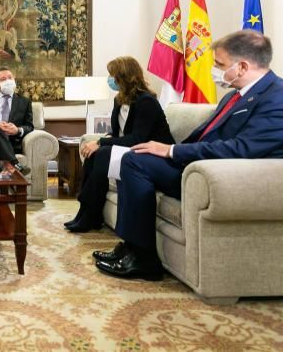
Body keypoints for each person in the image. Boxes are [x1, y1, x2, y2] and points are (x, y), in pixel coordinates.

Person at [94, 30, 283, 281]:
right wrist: (169, 153)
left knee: (134, 161)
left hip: (223, 178)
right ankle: (132, 247)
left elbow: (241, 149)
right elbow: (203, 136)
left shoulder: (276, 97)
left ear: (243, 66)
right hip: (197, 167)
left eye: (219, 64)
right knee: (131, 157)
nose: (214, 70)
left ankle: (144, 258)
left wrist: (171, 150)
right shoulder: (234, 95)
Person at [64, 56, 174, 232]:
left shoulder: (146, 102)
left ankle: (92, 214)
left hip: (150, 152)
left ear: (124, 76)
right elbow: (117, 134)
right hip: (130, 149)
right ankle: (85, 210)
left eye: (112, 75)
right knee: (94, 154)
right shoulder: (119, 100)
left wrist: (100, 142)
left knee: (101, 153)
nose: (110, 80)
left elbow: (137, 138)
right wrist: (98, 142)